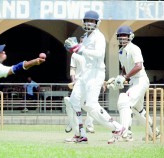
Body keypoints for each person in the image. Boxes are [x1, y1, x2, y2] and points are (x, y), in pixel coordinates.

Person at [63, 10, 125, 144]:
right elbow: (82, 54)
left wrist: (80, 48)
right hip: (85, 74)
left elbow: (99, 54)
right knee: (73, 102)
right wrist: (72, 49)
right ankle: (80, 134)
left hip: (96, 73)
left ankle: (117, 127)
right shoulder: (85, 37)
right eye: (87, 21)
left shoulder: (100, 37)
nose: (89, 23)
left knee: (91, 104)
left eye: (92, 21)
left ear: (97, 23)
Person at [108, 25, 160, 142]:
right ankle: (154, 133)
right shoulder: (121, 51)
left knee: (123, 100)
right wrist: (118, 79)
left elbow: (138, 66)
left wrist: (125, 77)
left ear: (130, 36)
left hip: (141, 80)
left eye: (124, 36)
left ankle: (126, 132)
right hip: (133, 81)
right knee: (138, 109)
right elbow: (124, 70)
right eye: (120, 36)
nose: (122, 38)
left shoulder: (134, 48)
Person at [64, 36, 95, 135]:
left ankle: (89, 126)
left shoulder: (90, 53)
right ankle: (72, 125)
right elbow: (72, 69)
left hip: (89, 82)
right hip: (78, 83)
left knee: (90, 104)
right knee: (73, 104)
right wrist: (73, 81)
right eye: (81, 41)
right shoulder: (74, 55)